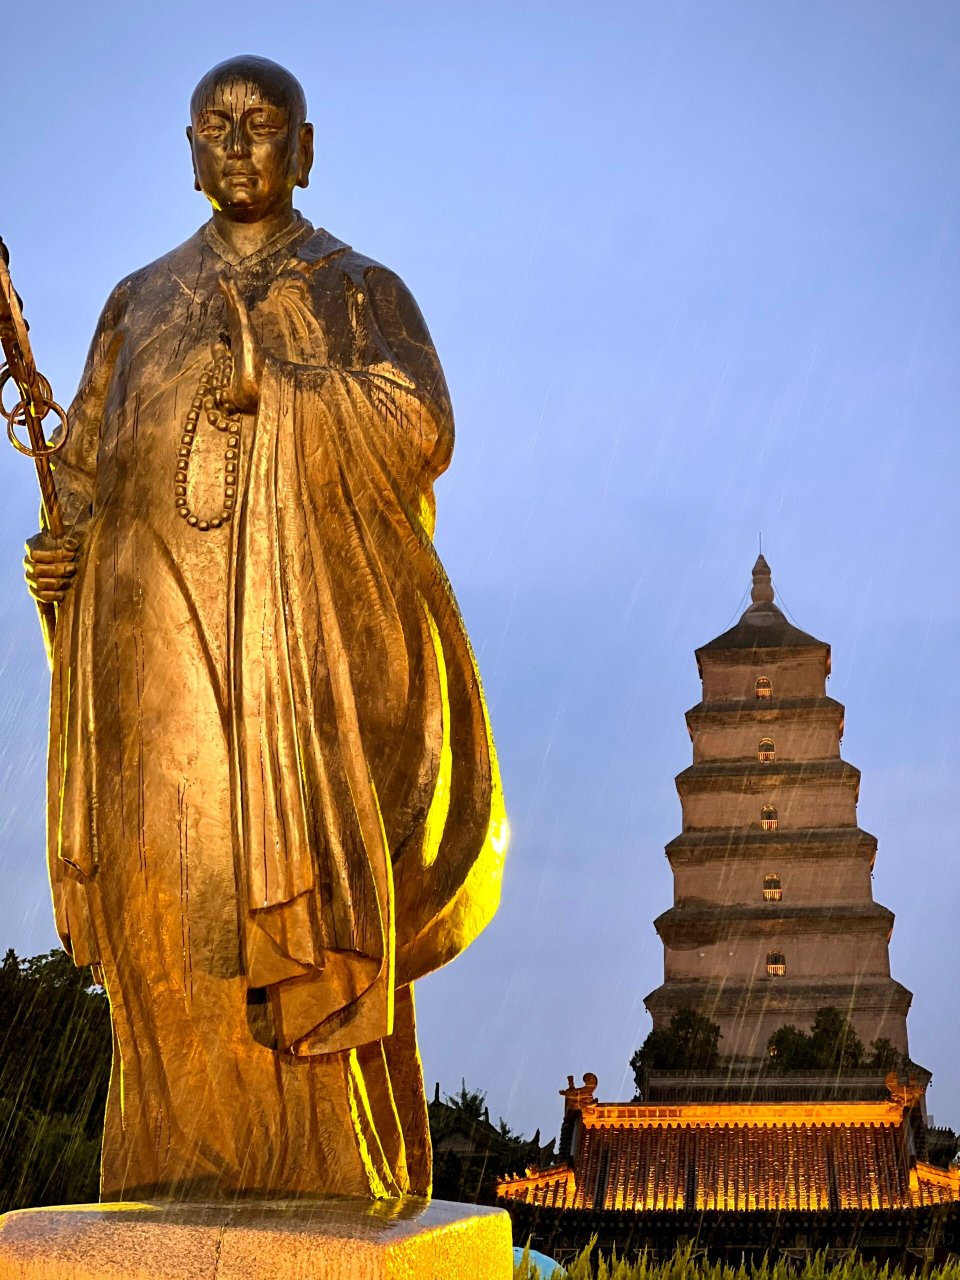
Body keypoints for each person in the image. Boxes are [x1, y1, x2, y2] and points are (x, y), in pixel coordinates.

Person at [23, 54, 506, 1202]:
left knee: (276, 897)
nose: (240, 145)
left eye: (263, 125)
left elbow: (421, 421)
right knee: (165, 907)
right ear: (192, 150)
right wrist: (68, 557)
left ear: (305, 147)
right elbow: (87, 465)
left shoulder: (355, 287)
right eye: (218, 127)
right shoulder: (134, 302)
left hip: (290, 666)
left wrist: (282, 390)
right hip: (151, 657)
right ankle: (166, 1166)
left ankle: (318, 1168)